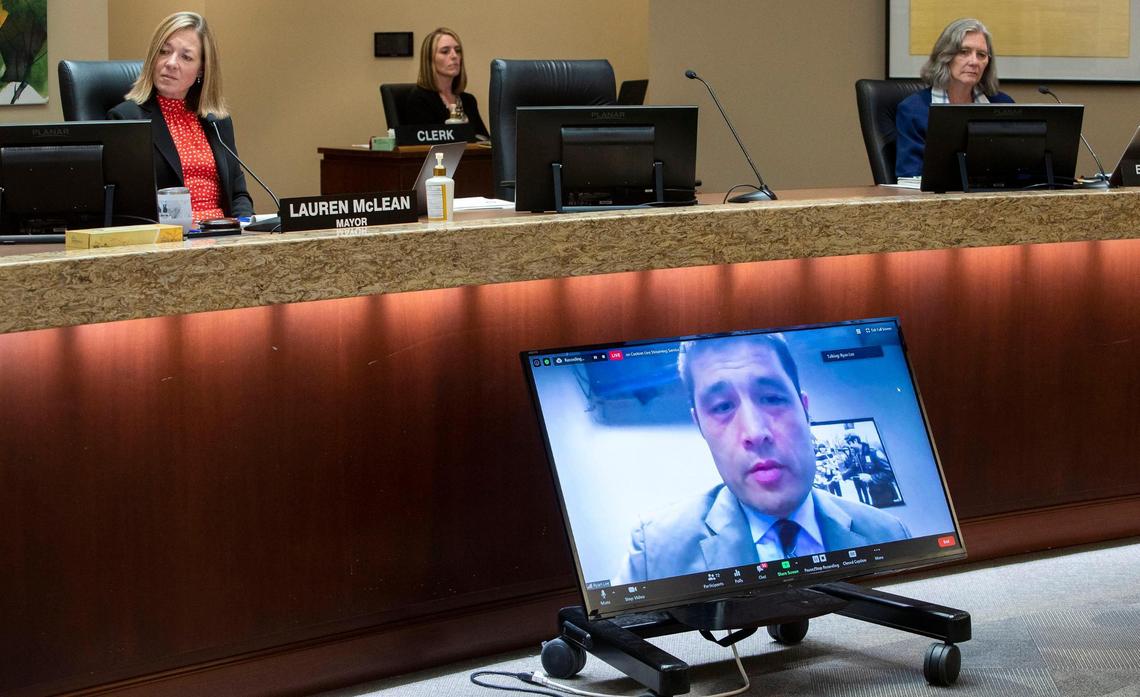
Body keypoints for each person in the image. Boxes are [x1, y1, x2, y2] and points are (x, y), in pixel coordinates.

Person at [618, 333, 910, 583]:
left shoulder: (889, 533)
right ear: (700, 427)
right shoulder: (653, 552)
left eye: (772, 398)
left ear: (805, 409)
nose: (755, 432)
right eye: (721, 407)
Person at [108, 11, 253, 222]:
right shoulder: (126, 120)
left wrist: (246, 229)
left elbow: (238, 194)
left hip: (223, 236)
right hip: (170, 241)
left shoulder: (217, 121)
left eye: (186, 57)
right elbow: (126, 207)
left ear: (201, 70)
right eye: (164, 52)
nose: (171, 63)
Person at [895, 18, 1015, 179]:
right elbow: (909, 176)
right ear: (945, 56)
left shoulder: (1003, 105)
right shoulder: (914, 110)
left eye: (981, 55)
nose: (974, 62)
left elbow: (1019, 169)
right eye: (964, 52)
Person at [402, 27, 489, 138]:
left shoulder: (468, 101)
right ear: (430, 59)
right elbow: (425, 145)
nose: (454, 56)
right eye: (445, 51)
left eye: (457, 51)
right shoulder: (420, 100)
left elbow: (485, 141)